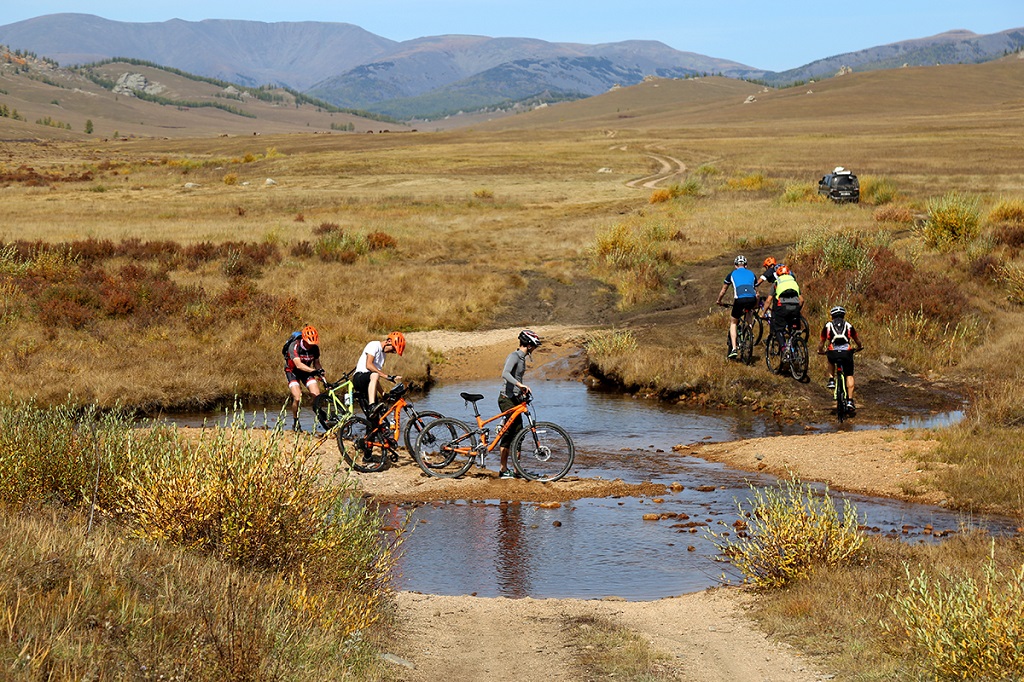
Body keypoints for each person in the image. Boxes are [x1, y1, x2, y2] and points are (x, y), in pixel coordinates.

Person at [497, 329, 541, 479]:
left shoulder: (522, 358)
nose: (534, 349)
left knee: (519, 434)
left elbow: (516, 380)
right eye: (534, 346)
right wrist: (520, 385)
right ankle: (503, 470)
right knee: (509, 433)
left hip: (515, 398)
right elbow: (505, 374)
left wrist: (521, 391)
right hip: (506, 399)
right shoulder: (514, 356)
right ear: (529, 344)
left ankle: (517, 471)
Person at [817, 306, 864, 411]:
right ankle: (850, 401)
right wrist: (859, 347)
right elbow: (857, 340)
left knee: (830, 360)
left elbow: (822, 342)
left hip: (833, 353)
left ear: (832, 316)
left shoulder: (828, 325)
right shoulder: (848, 325)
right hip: (846, 353)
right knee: (849, 375)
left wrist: (820, 350)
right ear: (843, 315)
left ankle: (831, 380)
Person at [353, 331, 405, 417]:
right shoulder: (374, 345)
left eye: (394, 351)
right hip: (359, 378)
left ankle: (372, 425)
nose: (392, 352)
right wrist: (386, 376)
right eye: (393, 349)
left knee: (374, 418)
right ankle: (372, 405)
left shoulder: (383, 355)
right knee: (375, 374)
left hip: (368, 383)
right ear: (388, 342)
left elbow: (374, 380)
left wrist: (383, 394)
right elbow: (369, 365)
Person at [715, 255, 758, 359]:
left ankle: (734, 348)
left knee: (733, 322)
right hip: (752, 298)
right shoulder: (752, 274)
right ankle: (749, 332)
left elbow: (723, 290)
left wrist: (719, 301)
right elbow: (757, 294)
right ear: (746, 265)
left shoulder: (731, 274)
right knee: (749, 314)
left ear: (735, 265)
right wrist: (756, 305)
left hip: (739, 300)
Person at [284, 324, 324, 431]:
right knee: (297, 397)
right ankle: (296, 421)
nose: (311, 346)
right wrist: (314, 371)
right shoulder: (294, 346)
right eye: (309, 343)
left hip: (306, 372)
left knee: (317, 396)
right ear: (304, 340)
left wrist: (321, 374)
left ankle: (321, 418)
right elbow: (298, 365)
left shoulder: (315, 348)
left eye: (313, 344)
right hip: (292, 372)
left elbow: (317, 363)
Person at [763, 264, 804, 342]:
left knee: (778, 329)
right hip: (795, 307)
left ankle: (783, 348)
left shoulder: (776, 283)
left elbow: (768, 300)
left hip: (782, 308)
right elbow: (801, 300)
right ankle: (795, 346)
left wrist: (763, 313)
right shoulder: (794, 282)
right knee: (793, 328)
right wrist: (797, 310)